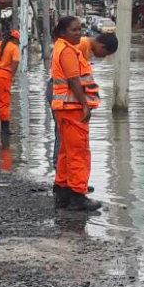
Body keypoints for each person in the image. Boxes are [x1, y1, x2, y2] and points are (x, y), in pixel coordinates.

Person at [47, 31, 118, 180]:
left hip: (63, 92)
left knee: (65, 135)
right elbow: (73, 77)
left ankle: (64, 176)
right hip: (62, 92)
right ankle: (64, 174)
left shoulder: (85, 48)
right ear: (101, 45)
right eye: (104, 53)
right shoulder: (81, 45)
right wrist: (85, 104)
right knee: (65, 136)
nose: (102, 57)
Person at [50, 16, 102, 212]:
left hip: (63, 109)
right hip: (72, 109)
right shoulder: (68, 51)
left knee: (66, 152)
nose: (78, 33)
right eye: (74, 30)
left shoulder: (60, 47)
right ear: (63, 32)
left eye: (80, 29)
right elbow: (74, 81)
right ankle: (78, 196)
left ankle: (63, 191)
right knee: (78, 152)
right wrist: (85, 105)